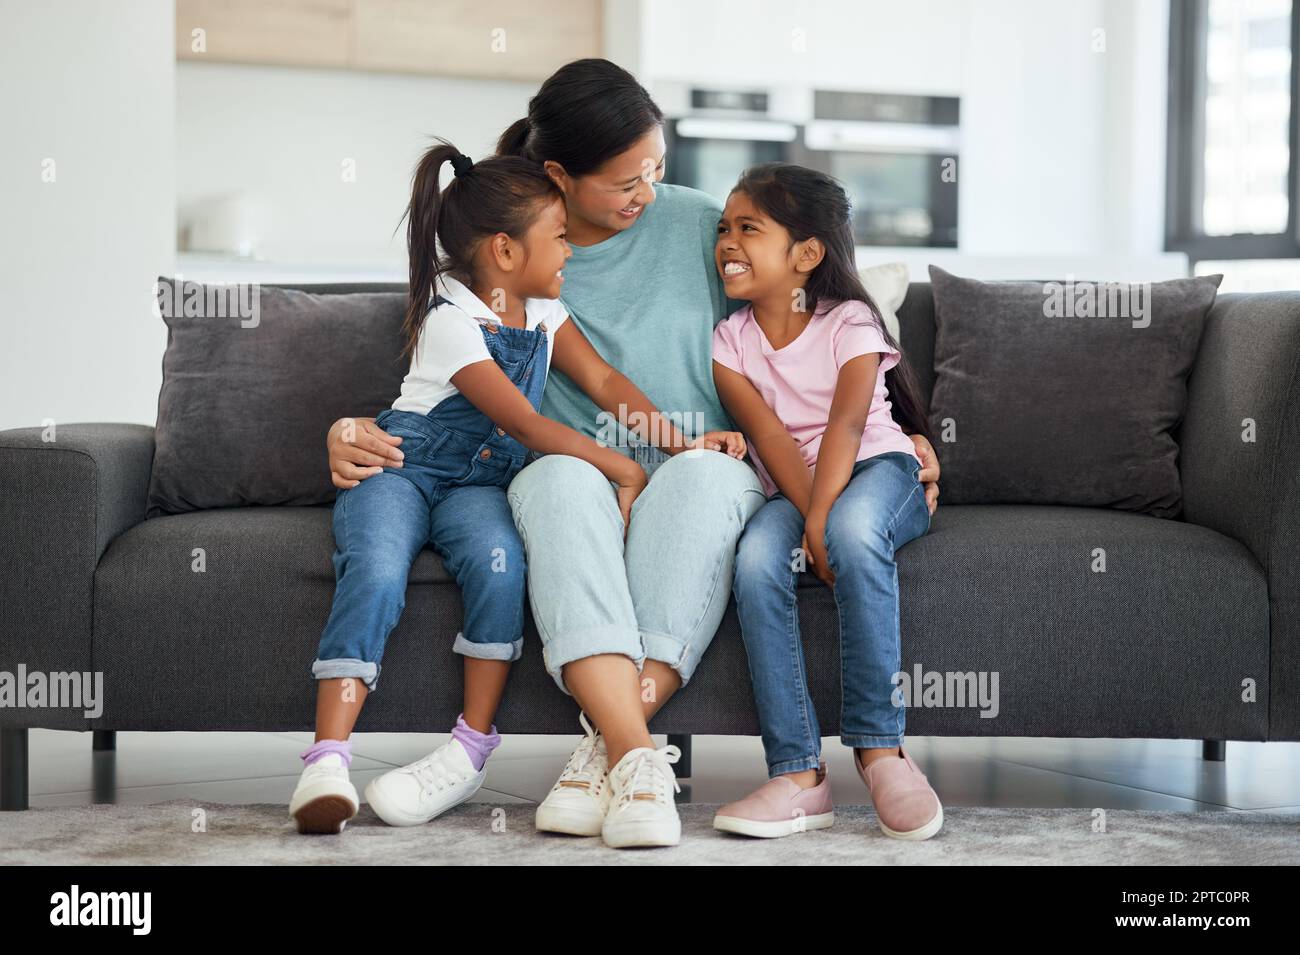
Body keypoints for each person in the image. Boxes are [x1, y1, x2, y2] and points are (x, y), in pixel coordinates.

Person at [325, 59, 941, 849]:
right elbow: (436, 385)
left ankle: (603, 752)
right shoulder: (512, 256)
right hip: (573, 476)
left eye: (655, 169)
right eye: (625, 181)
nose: (645, 193)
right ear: (559, 176)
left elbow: (816, 320)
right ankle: (634, 754)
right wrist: (344, 430)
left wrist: (904, 427)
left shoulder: (702, 228)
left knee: (702, 473)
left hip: (704, 469)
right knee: (554, 481)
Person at [291, 138, 741, 835]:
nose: (569, 252)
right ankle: (327, 758)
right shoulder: (449, 317)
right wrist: (621, 467)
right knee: (376, 571)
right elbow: (526, 423)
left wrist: (683, 444)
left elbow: (605, 383)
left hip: (476, 487)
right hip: (403, 469)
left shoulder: (543, 312)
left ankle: (471, 745)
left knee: (501, 571)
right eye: (558, 238)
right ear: (504, 251)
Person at [710, 163, 941, 841]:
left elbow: (845, 426)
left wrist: (821, 521)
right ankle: (799, 774)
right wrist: (809, 516)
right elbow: (771, 437)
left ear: (807, 254)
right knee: (754, 560)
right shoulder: (731, 341)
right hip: (796, 485)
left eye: (748, 228)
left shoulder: (850, 321)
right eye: (724, 227)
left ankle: (881, 749)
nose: (727, 241)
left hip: (876, 467)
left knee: (854, 531)